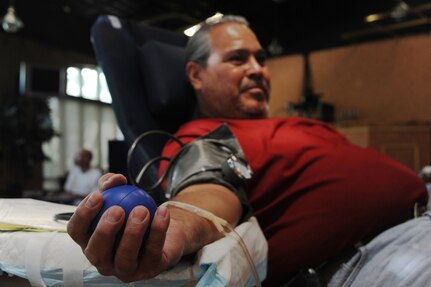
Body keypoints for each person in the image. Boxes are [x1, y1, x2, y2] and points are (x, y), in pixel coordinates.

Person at [67, 15, 429, 286]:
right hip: (381, 252)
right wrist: (174, 228)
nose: (258, 70)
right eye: (238, 59)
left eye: (261, 59)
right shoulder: (205, 135)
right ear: (195, 76)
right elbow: (206, 189)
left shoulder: (285, 124)